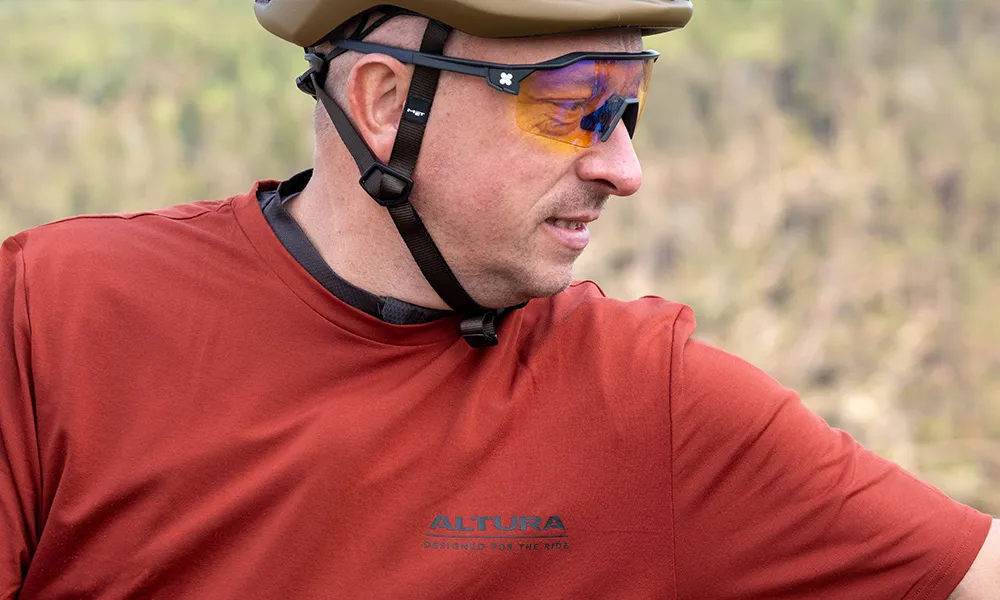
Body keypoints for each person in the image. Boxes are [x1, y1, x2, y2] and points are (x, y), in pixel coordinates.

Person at [1, 0, 997, 597]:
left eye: (628, 103)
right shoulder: (55, 311)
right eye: (573, 107)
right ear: (384, 104)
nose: (624, 165)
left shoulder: (652, 402)